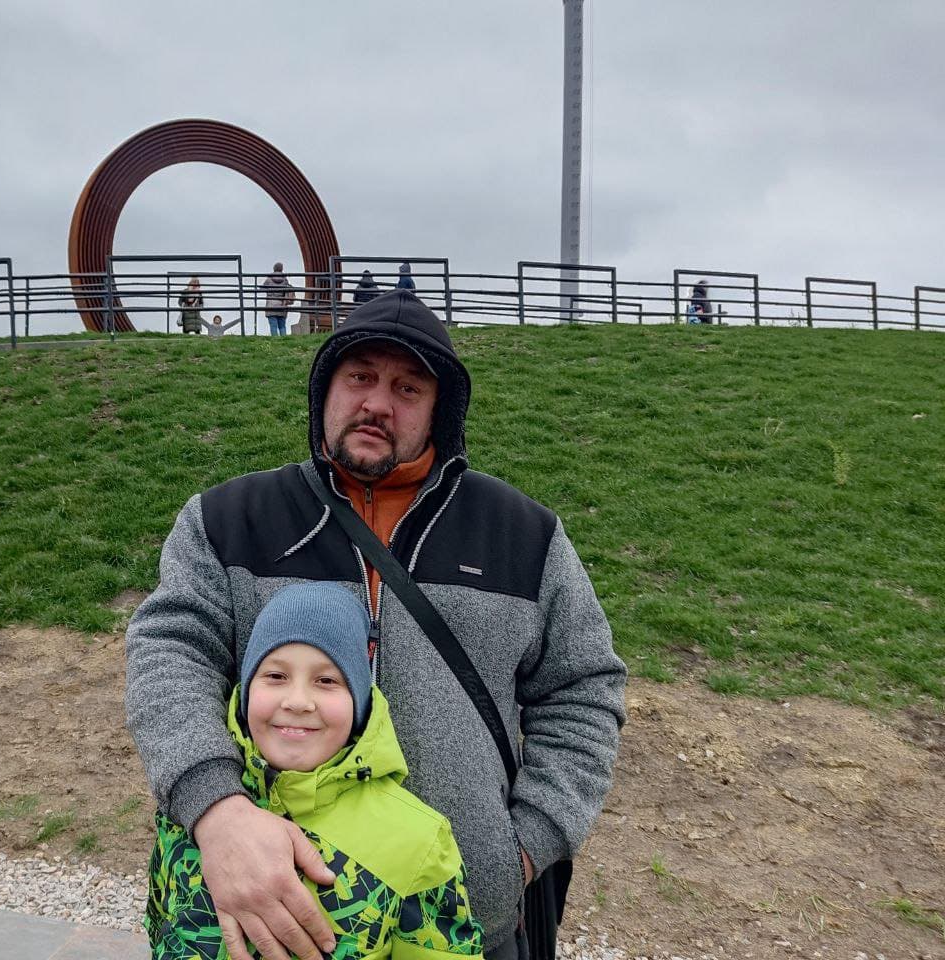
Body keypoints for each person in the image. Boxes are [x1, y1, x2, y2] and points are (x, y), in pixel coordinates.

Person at [126, 289, 627, 960]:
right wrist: (215, 808)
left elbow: (584, 689)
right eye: (360, 376)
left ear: (439, 412)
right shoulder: (228, 519)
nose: (377, 403)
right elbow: (167, 655)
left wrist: (528, 843)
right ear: (325, 389)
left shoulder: (524, 535)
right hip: (271, 921)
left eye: (408, 388)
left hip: (467, 930)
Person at [145, 582, 484, 960]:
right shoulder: (191, 811)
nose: (298, 701)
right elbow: (162, 925)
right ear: (245, 689)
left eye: (326, 681)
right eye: (275, 676)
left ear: (359, 701)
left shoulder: (419, 843)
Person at [261, 264, 295, 336]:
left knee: (273, 326)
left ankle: (275, 341)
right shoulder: (285, 280)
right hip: (281, 305)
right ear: (282, 269)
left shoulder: (269, 280)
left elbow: (262, 289)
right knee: (282, 326)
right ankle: (284, 339)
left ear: (274, 269)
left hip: (271, 305)